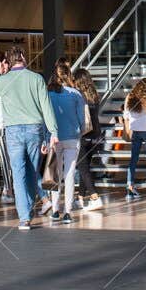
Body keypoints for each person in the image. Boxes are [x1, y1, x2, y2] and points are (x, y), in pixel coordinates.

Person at [0, 45, 60, 230]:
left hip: (13, 131)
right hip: (35, 129)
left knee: (18, 173)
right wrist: (53, 132)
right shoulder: (36, 78)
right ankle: (30, 208)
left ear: (8, 62)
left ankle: (24, 217)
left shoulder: (3, 80)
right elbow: (46, 106)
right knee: (31, 171)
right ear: (23, 58)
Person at [45, 64, 87, 223]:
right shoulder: (76, 94)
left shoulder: (48, 94)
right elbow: (83, 121)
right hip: (72, 137)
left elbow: (44, 119)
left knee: (55, 174)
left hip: (54, 138)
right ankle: (68, 212)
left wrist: (45, 137)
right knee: (69, 175)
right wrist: (79, 131)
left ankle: (55, 210)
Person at [121, 78, 146, 199]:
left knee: (133, 159)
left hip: (135, 131)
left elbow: (126, 116)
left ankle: (129, 187)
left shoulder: (130, 97)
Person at [72, 68, 104, 210]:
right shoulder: (94, 95)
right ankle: (80, 198)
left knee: (83, 167)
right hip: (95, 134)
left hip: (83, 135)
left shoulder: (78, 96)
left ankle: (95, 196)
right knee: (85, 167)